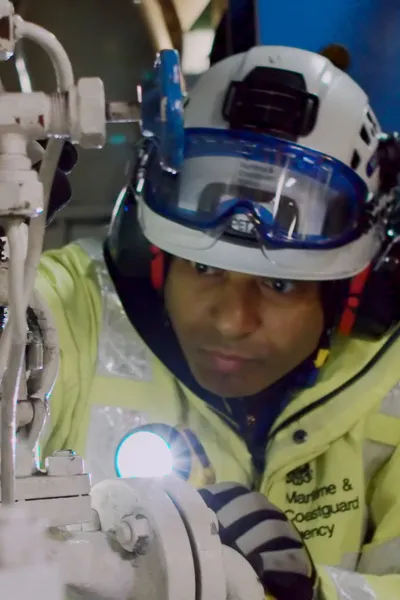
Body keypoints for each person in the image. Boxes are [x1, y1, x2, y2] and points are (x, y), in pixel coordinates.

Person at [35, 44, 400, 600]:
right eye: (204, 266)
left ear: (347, 292)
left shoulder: (390, 379)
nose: (231, 322)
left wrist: (315, 593)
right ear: (155, 259)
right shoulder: (69, 314)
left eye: (279, 284)